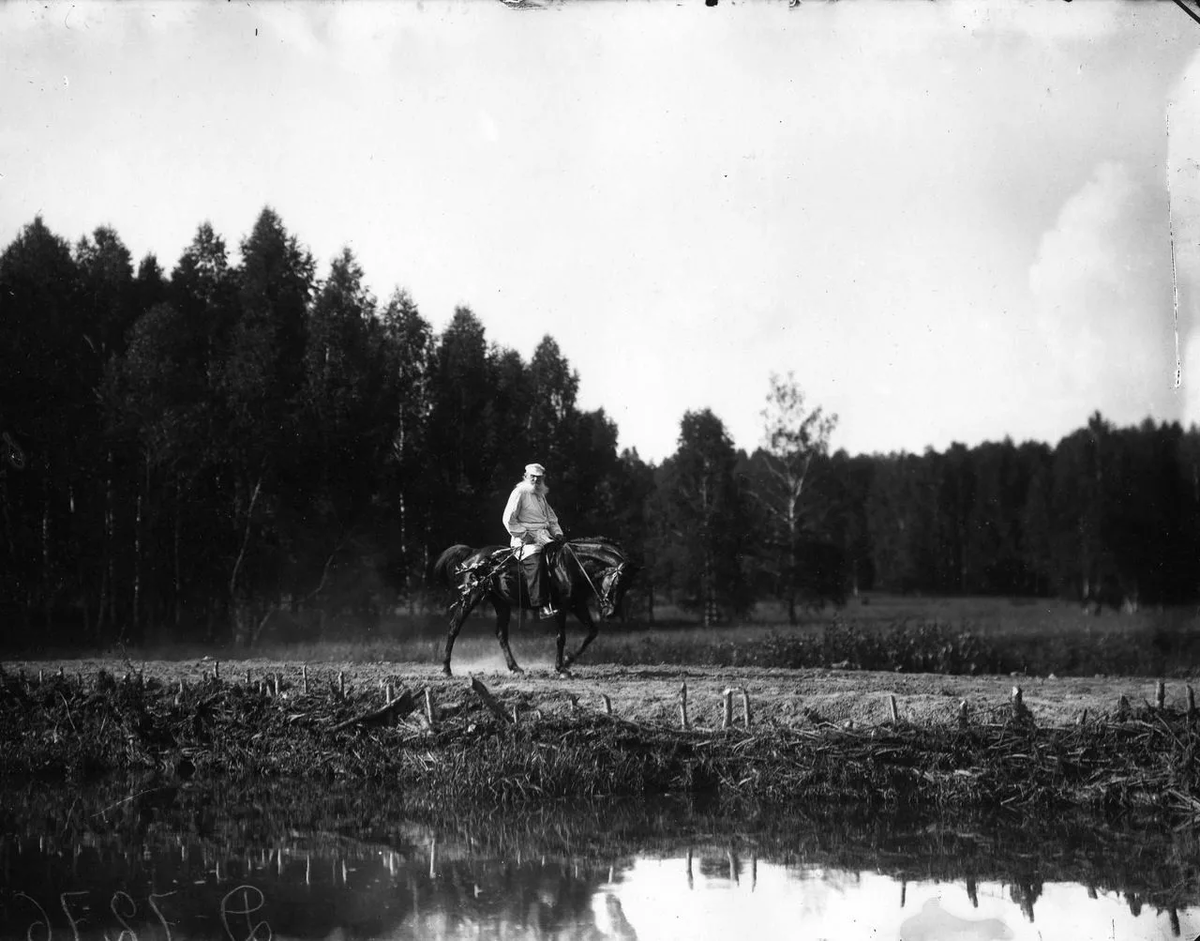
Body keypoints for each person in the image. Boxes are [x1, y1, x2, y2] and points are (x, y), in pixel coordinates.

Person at [502, 463, 565, 618]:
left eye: (539, 477)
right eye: (533, 477)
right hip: (526, 540)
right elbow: (508, 519)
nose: (536, 480)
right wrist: (524, 535)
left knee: (563, 557)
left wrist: (557, 533)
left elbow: (551, 519)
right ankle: (541, 606)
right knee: (536, 560)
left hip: (544, 537)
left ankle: (561, 597)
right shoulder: (519, 492)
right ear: (525, 476)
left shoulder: (540, 495)